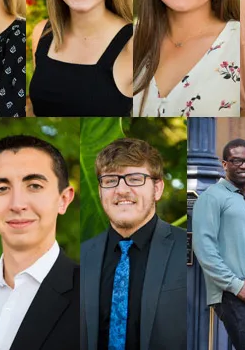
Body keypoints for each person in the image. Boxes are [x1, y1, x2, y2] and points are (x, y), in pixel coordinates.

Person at [0, 135, 78, 350]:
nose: (17, 204)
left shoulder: (96, 298)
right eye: (2, 188)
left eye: (34, 186)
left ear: (63, 200)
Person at [81, 138, 186, 350]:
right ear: (100, 190)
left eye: (135, 179)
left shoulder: (189, 248)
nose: (121, 190)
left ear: (157, 189)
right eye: (110, 180)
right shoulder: (80, 257)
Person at [192, 138, 245, 350]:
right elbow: (204, 248)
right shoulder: (211, 197)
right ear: (224, 164)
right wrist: (235, 285)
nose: (244, 166)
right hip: (233, 294)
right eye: (237, 161)